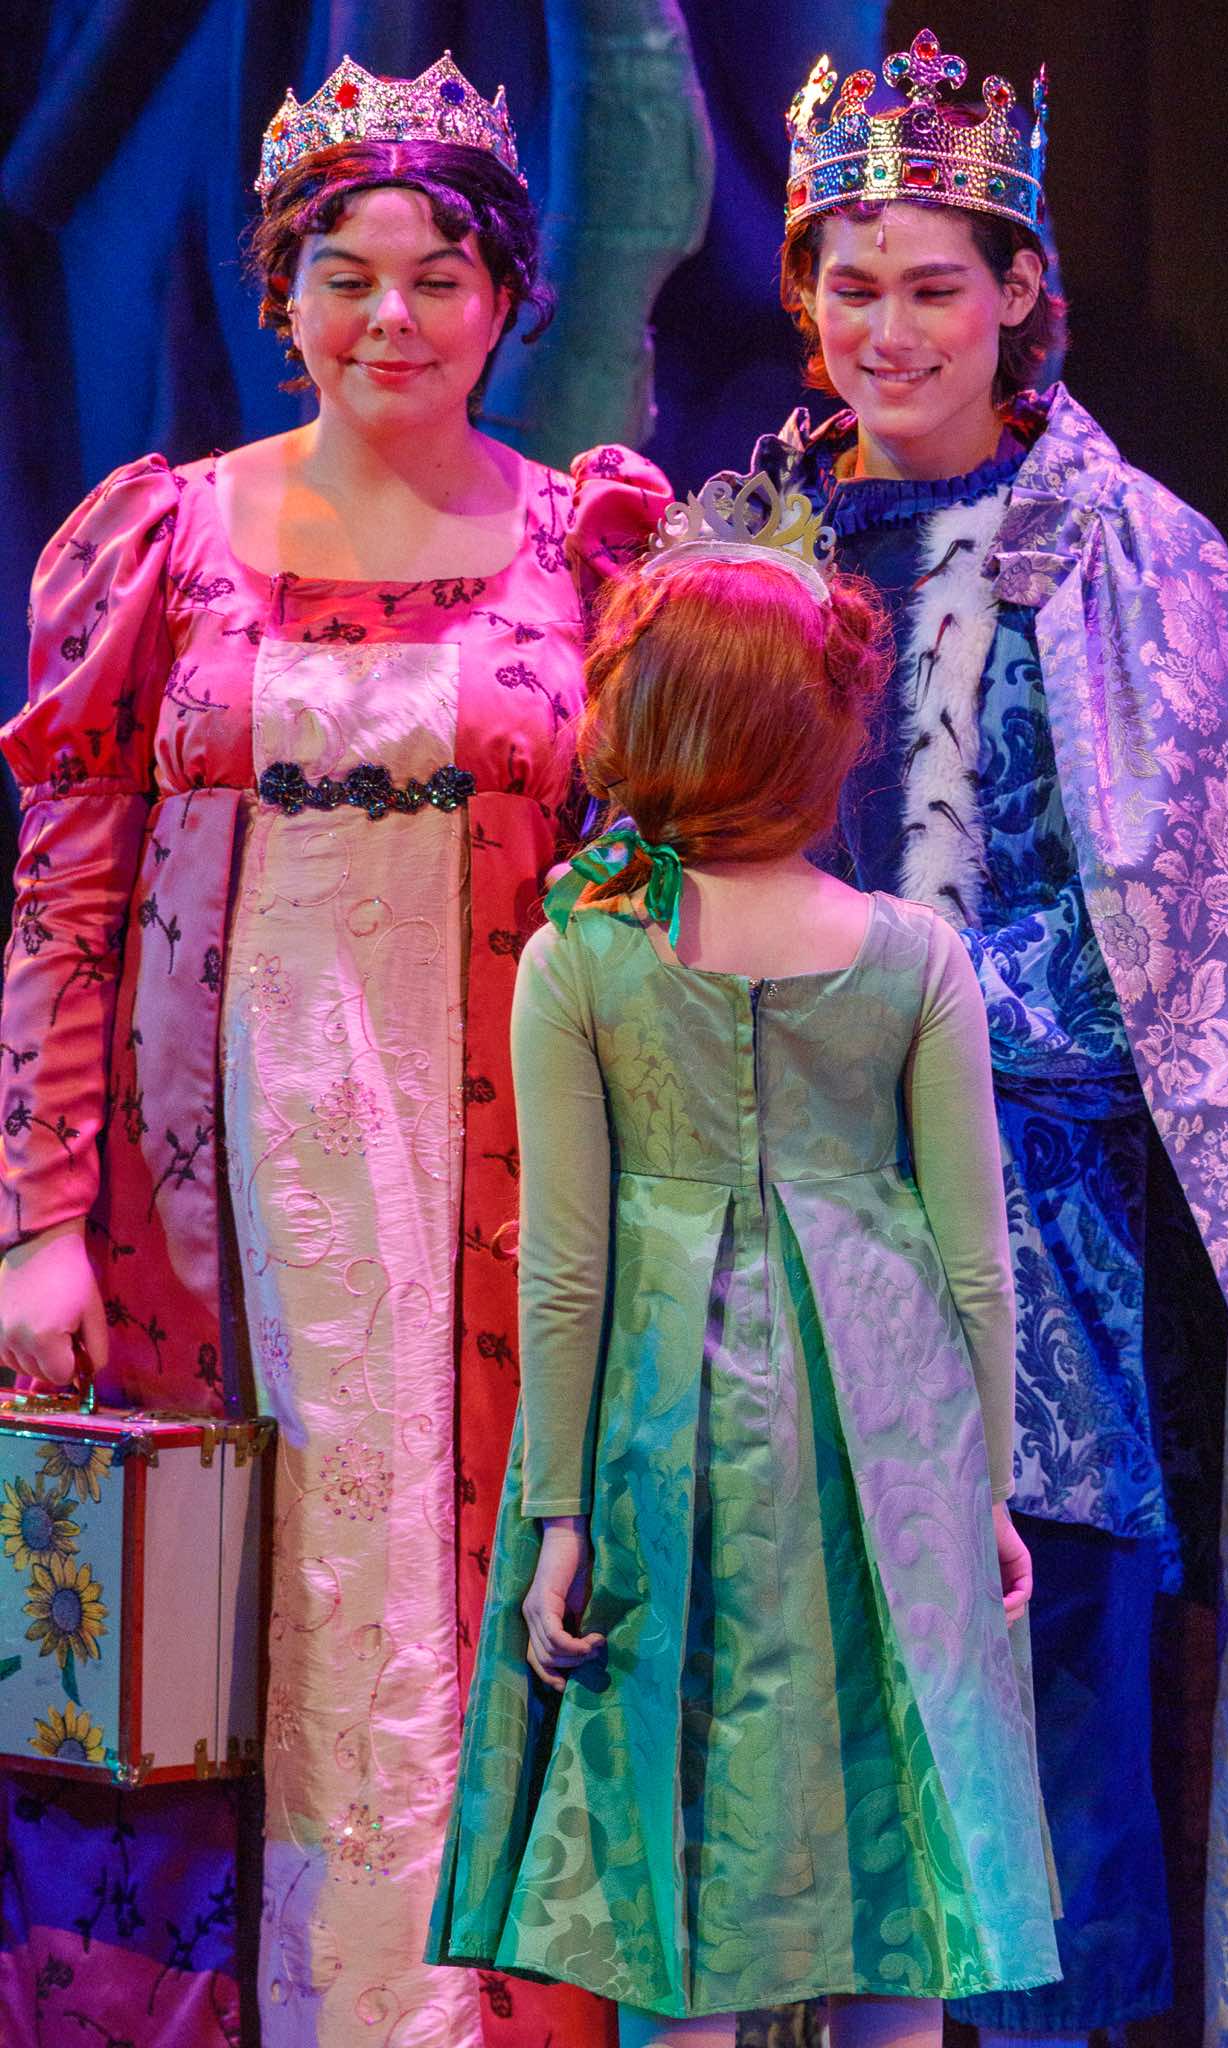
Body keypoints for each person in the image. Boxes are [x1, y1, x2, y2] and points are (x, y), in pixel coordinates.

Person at [723, 28, 1228, 2048]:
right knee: (795, 1743)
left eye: (935, 286)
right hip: (768, 1222)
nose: (888, 331)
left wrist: (886, 994)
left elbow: (1180, 962)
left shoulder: (1134, 556)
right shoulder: (740, 544)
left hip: (1037, 1250)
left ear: (1020, 289)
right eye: (851, 285)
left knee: (1047, 1749)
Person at [0, 53, 663, 2048]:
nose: (394, 318)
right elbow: (67, 899)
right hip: (205, 1193)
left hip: (500, 1184)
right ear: (280, 291)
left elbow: (645, 909)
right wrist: (34, 1220)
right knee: (225, 1613)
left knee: (470, 1587)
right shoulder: (167, 538)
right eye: (346, 275)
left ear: (510, 295)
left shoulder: (584, 548)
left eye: (438, 277)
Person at [425, 473, 1062, 2047]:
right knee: (900, 1835)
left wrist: (559, 1515)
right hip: (888, 1432)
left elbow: (564, 1267)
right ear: (828, 736)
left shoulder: (582, 951)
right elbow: (978, 1264)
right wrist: (979, 1485)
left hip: (663, 1426)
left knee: (675, 1838)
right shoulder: (913, 956)